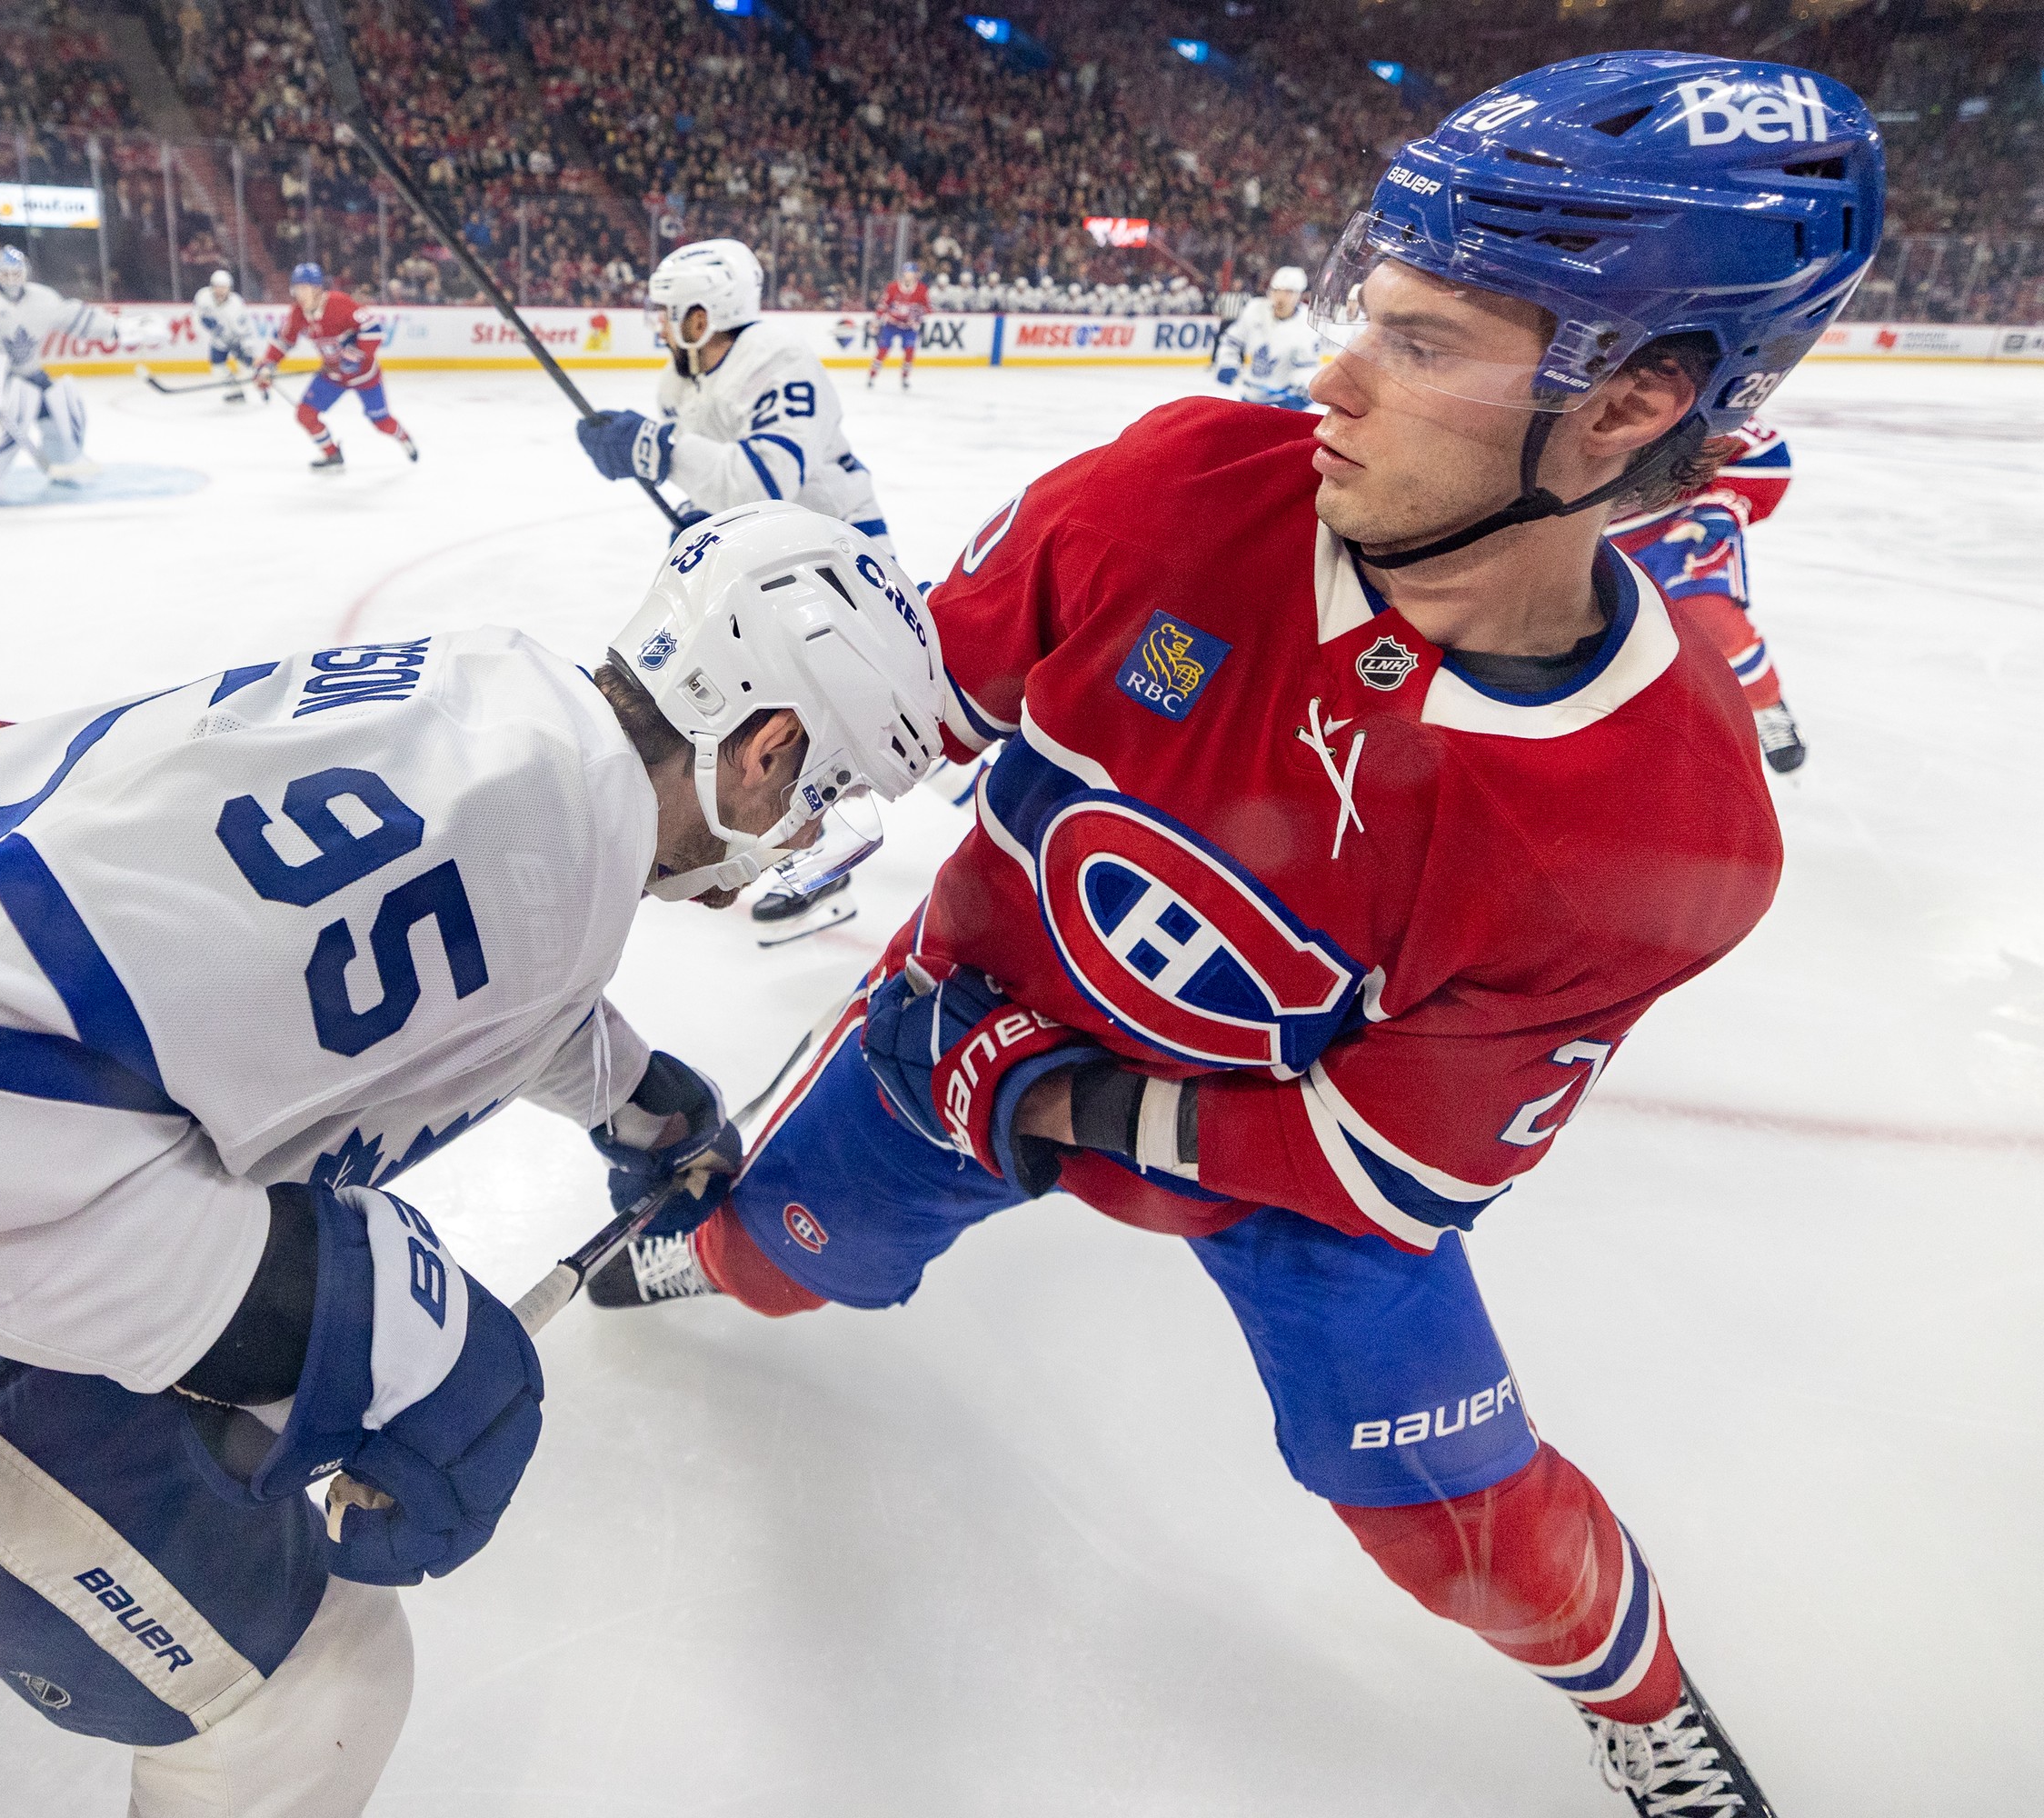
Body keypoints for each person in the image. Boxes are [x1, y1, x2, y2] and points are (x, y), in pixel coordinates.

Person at [589, 54, 1880, 1818]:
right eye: (1372, 310)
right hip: (975, 1008)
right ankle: (718, 1247)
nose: (1331, 374)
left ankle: (1637, 1698)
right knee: (772, 1252)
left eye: (1422, 345)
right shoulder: (1182, 485)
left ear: (1626, 404)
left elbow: (1377, 1171)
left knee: (1460, 1528)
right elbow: (920, 705)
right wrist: (713, 771)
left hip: (1215, 1131)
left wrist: (1042, 1103)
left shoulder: (1669, 826)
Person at [0, 503, 944, 1816]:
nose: (807, 834)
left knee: (150, 1236)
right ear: (764, 746)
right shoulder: (512, 844)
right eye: (822, 793)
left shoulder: (505, 716)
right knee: (314, 1679)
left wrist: (639, 1099)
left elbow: (427, 979)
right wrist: (359, 1319)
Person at [573, 238, 898, 564]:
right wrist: (701, 512)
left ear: (699, 321)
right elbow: (715, 470)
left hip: (841, 540)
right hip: (765, 544)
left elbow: (764, 486)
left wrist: (659, 450)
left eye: (665, 315)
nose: (660, 331)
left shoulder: (778, 360)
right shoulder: (676, 383)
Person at [1608, 417, 1806, 771]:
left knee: (1714, 623)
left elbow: (1765, 453)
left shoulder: (1677, 398)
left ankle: (1765, 704)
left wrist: (1721, 508)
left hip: (1680, 528)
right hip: (1587, 544)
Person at [0, 245, 145, 497]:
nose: (11, 279)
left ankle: (65, 460)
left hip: (28, 372)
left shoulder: (43, 298)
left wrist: (116, 329)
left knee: (64, 402)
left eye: (15, 273)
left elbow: (76, 318)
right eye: (5, 274)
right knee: (14, 409)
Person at [256, 262, 415, 472]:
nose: (299, 294)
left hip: (364, 375)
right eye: (296, 289)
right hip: (333, 376)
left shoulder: (339, 303)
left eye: (304, 288)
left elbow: (374, 329)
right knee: (305, 414)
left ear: (317, 289)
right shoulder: (298, 313)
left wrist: (355, 355)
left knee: (380, 421)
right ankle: (332, 454)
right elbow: (283, 340)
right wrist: (268, 365)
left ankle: (403, 438)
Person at [1212, 265, 1324, 409]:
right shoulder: (1255, 309)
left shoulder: (1306, 324)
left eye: (1288, 292)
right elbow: (1232, 341)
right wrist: (1227, 363)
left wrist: (1301, 391)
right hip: (1250, 395)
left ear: (1299, 295)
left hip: (1281, 400)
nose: (1280, 297)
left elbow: (1306, 366)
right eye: (1276, 290)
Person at [190, 268, 262, 404]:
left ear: (229, 288)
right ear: (212, 287)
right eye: (217, 287)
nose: (220, 291)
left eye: (223, 287)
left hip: (237, 340)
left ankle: (262, 387)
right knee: (217, 370)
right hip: (219, 341)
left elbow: (246, 329)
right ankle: (236, 391)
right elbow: (196, 316)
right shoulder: (203, 297)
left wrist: (247, 348)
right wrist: (206, 325)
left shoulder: (236, 304)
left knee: (247, 370)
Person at [865, 259, 930, 390]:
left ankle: (905, 377)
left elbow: (928, 308)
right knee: (883, 350)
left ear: (916, 274)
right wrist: (877, 320)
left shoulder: (922, 290)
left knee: (910, 351)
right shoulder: (893, 287)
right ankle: (872, 376)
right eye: (906, 272)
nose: (908, 275)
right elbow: (883, 305)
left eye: (911, 272)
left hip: (909, 327)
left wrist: (918, 313)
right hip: (891, 324)